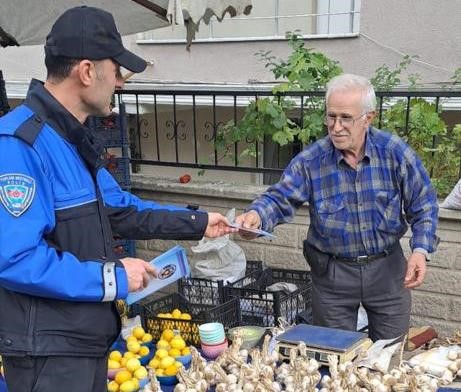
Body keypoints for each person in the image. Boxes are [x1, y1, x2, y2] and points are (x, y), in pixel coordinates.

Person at [0, 6, 235, 392]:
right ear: (88, 71)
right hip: (48, 354)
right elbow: (16, 259)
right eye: (117, 71)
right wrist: (111, 277)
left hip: (82, 343)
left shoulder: (70, 140)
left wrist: (198, 222)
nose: (121, 83)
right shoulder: (19, 145)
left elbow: (123, 209)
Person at [236, 73, 439, 342]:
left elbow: (424, 203)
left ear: (368, 118)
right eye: (331, 116)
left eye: (345, 118)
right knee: (335, 356)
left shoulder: (394, 152)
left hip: (388, 272)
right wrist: (256, 217)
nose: (336, 126)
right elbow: (279, 197)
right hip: (332, 276)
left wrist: (421, 250)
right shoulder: (312, 160)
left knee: (389, 356)